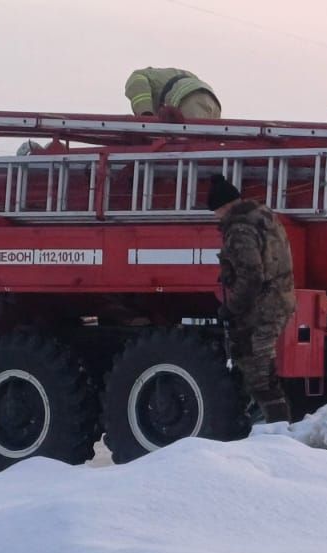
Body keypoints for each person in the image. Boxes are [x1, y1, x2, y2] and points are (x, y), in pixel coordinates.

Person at [206, 174, 295, 423]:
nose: (216, 217)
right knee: (261, 369)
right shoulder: (265, 218)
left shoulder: (239, 229)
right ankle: (273, 426)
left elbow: (251, 274)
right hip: (279, 300)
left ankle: (279, 431)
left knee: (259, 373)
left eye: (215, 211)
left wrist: (231, 307)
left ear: (223, 206)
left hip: (262, 307)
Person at [125, 67, 222, 120]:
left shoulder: (137, 76)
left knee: (192, 140)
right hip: (213, 103)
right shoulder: (164, 75)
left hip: (188, 100)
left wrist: (145, 115)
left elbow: (139, 91)